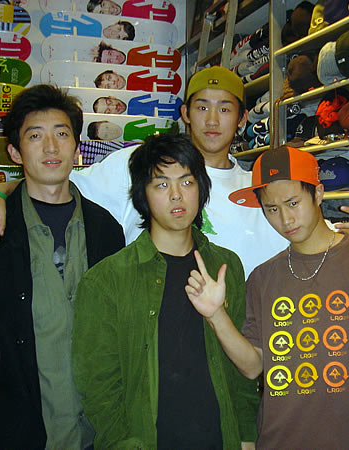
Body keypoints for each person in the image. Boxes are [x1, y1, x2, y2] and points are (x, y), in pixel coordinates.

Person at [0, 66, 349, 278]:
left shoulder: (258, 187)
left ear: (243, 118)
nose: (212, 120)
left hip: (240, 337)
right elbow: (55, 179)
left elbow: (315, 235)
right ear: (186, 113)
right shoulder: (141, 164)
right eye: (202, 107)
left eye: (225, 109)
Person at [185, 145, 349, 448]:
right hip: (280, 439)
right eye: (272, 209)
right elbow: (254, 366)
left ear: (318, 194)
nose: (285, 219)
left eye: (293, 203)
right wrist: (216, 316)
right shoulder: (263, 278)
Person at [71, 133, 259, 448]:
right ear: (142, 195)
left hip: (220, 438)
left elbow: (240, 371)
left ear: (202, 188)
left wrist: (245, 435)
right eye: (161, 184)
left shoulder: (226, 266)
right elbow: (98, 385)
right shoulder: (106, 280)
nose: (176, 195)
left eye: (187, 182)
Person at [0, 85, 125, 448]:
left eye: (62, 134)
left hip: (98, 432)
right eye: (35, 136)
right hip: (15, 434)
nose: (51, 147)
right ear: (15, 152)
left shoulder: (106, 230)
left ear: (77, 148)